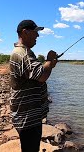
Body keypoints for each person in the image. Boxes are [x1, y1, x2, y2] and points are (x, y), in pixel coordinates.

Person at [9, 19, 58, 152]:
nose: (37, 36)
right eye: (35, 32)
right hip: (28, 116)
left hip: (28, 114)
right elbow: (42, 76)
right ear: (25, 32)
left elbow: (35, 74)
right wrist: (49, 61)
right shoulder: (23, 54)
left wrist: (49, 65)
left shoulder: (21, 52)